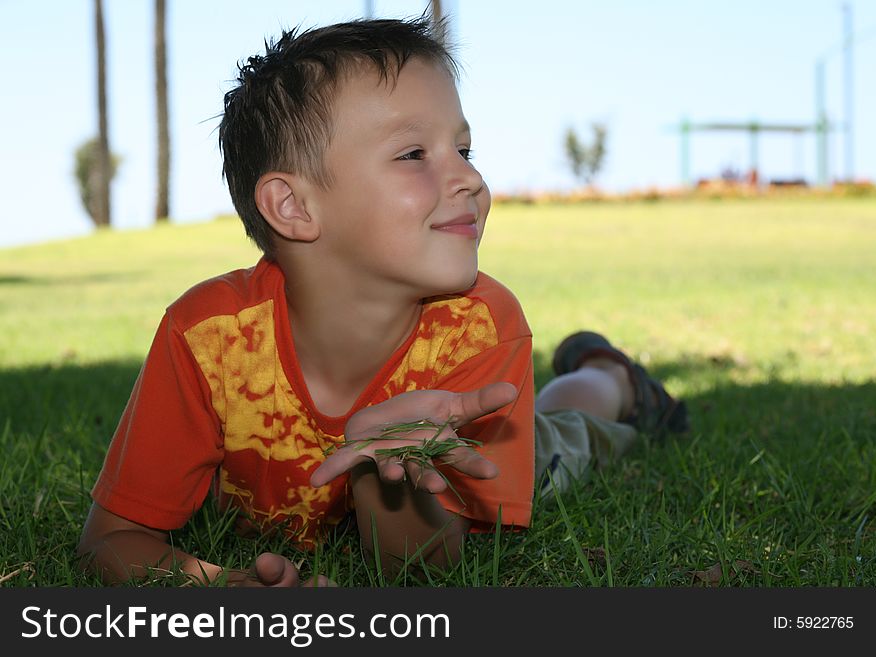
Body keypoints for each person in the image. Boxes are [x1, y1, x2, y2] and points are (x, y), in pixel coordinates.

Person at [77, 16, 688, 588]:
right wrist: (221, 584)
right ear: (294, 207)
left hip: (506, 439)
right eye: (414, 154)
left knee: (571, 438)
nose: (471, 180)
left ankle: (610, 377)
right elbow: (111, 538)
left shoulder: (479, 328)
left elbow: (425, 569)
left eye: (464, 150)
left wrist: (389, 472)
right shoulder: (209, 340)